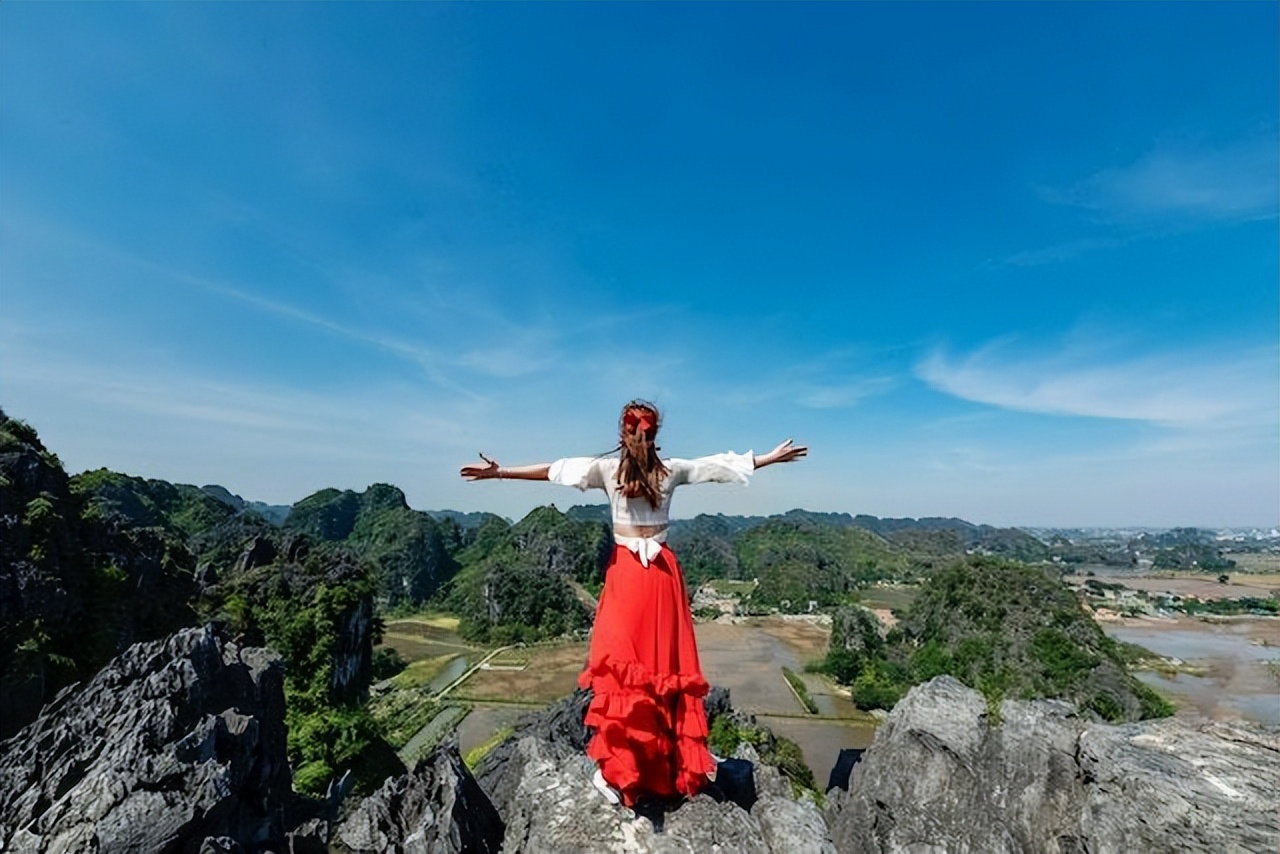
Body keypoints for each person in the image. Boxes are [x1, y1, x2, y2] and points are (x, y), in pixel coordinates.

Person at [460, 400, 807, 808]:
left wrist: (499, 472)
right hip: (662, 577)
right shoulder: (671, 470)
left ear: (622, 435)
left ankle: (619, 772)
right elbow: (719, 467)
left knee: (625, 672)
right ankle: (668, 765)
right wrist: (769, 458)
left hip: (627, 576)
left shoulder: (608, 471)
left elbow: (554, 470)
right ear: (655, 434)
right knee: (663, 667)